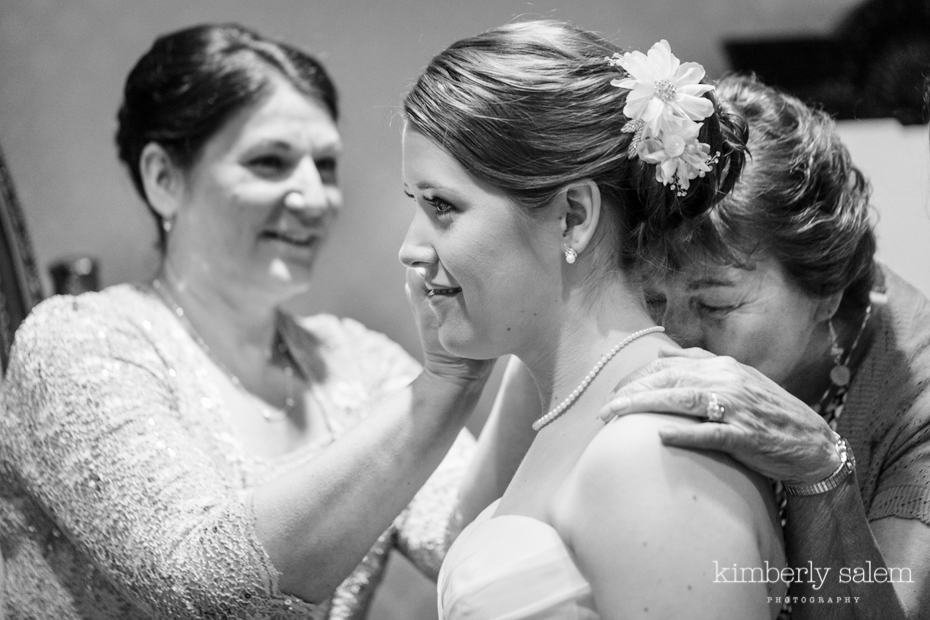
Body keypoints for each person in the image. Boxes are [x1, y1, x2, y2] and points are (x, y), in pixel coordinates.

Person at [0, 23, 516, 619]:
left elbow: (473, 543)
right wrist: (450, 382)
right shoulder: (77, 344)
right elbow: (205, 588)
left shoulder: (359, 360)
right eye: (270, 162)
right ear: (163, 179)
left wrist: (576, 345)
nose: (313, 196)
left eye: (324, 166)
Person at [399, 21, 786, 619]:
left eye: (442, 206)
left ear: (573, 216)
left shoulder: (649, 454)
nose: (411, 248)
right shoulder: (566, 406)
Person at [598, 74, 930, 619]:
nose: (673, 340)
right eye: (655, 301)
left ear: (826, 291)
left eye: (716, 306)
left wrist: (820, 471)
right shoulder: (616, 328)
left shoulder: (915, 404)